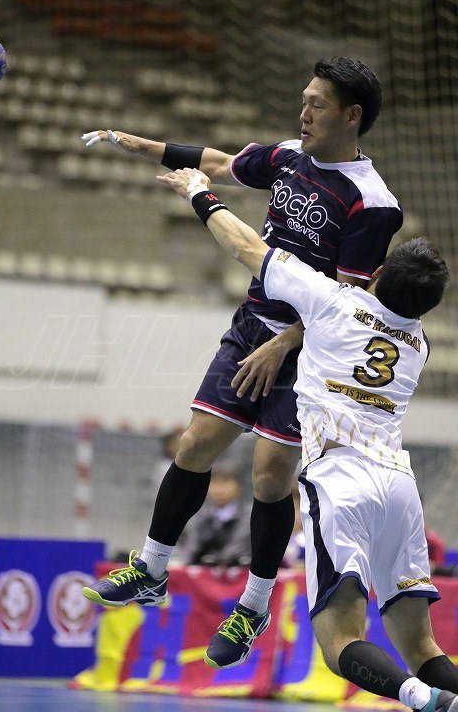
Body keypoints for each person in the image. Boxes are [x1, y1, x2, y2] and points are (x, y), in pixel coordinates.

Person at [81, 57, 403, 669]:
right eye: (303, 100)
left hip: (312, 351)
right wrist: (141, 145)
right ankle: (150, 568)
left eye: (317, 104)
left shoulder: (372, 203)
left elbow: (349, 304)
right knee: (194, 445)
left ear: (352, 116)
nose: (303, 113)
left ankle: (253, 607)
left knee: (269, 477)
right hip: (253, 324)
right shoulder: (288, 156)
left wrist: (284, 345)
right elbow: (223, 163)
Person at [155, 166, 457, 710]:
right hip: (399, 489)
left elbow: (247, 247)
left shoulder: (332, 302)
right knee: (422, 645)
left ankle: (420, 698)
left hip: (341, 485)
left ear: (376, 273)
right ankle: (434, 689)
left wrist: (199, 191)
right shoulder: (419, 345)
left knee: (340, 643)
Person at [179, 459, 252, 568]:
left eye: (225, 483)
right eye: (214, 483)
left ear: (239, 487)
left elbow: (236, 551)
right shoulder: (202, 516)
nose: (219, 490)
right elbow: (190, 551)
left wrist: (212, 560)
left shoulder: (248, 516)